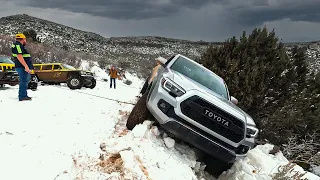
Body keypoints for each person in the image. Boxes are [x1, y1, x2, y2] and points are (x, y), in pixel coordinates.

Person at [11, 33, 34, 101]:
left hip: (22, 66)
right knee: (23, 80)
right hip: (22, 67)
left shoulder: (18, 45)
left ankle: (23, 94)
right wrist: (26, 66)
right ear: (23, 39)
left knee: (25, 80)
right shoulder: (18, 45)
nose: (25, 41)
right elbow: (19, 56)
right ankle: (22, 96)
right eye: (25, 39)